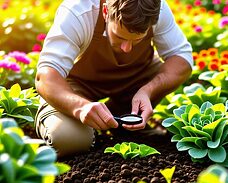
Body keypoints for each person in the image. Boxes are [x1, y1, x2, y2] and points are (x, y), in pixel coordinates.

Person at [35, 0, 193, 157]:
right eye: (119, 37)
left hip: (135, 78)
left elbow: (182, 60)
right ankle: (81, 125)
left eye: (137, 40)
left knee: (169, 70)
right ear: (105, 12)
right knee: (69, 139)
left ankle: (121, 117)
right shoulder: (77, 11)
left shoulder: (155, 9)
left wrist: (148, 91)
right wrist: (80, 106)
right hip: (78, 86)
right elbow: (46, 76)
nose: (127, 49)